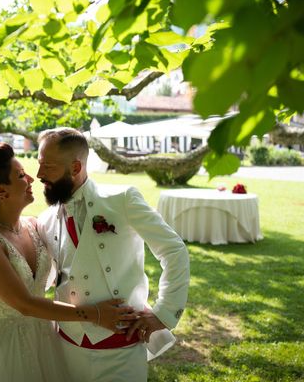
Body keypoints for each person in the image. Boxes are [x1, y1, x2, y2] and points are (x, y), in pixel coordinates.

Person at [0, 143, 135, 382]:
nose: (31, 178)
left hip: (44, 338)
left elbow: (52, 275)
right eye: (20, 175)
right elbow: (25, 304)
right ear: (1, 192)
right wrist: (97, 314)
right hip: (3, 349)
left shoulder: (34, 226)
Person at [35, 128, 190, 381]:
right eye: (39, 164)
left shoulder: (122, 199)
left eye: (48, 166)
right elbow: (45, 273)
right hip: (65, 345)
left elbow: (174, 250)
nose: (39, 175)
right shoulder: (46, 219)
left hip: (122, 350)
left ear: (75, 168)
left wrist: (164, 313)